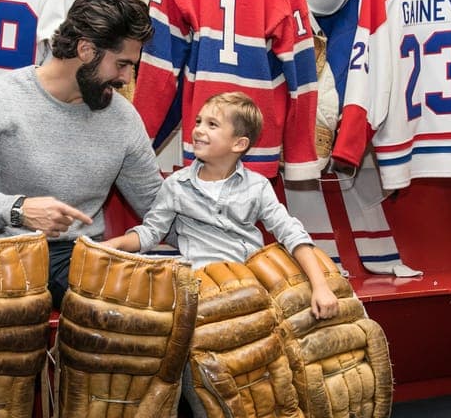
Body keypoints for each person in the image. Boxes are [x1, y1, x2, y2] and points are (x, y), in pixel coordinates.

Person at [0, 0, 163, 309]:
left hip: (79, 259)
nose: (127, 78)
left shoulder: (123, 118)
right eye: (122, 64)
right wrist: (19, 210)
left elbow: (160, 207)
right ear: (86, 50)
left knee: (156, 306)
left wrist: (228, 234)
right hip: (5, 255)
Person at [105, 91, 340, 319]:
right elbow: (151, 231)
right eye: (198, 121)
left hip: (250, 285)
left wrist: (320, 286)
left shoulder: (257, 187)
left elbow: (290, 232)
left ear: (239, 144)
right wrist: (114, 245)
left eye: (212, 124)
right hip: (199, 286)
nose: (198, 129)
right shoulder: (177, 185)